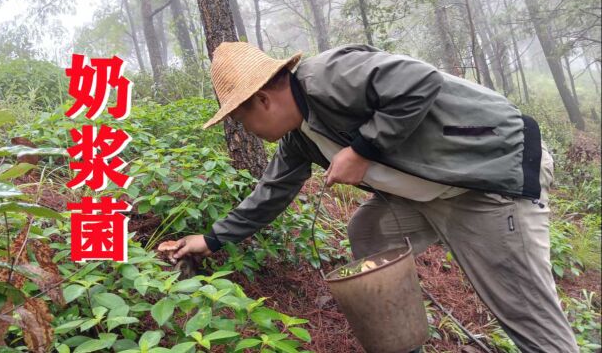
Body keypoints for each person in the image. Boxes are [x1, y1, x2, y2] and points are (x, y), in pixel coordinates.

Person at [158, 42, 578, 352]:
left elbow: (419, 80)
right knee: (370, 231)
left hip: (489, 180)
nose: (243, 131)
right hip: (427, 195)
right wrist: (211, 239)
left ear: (263, 100)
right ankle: (402, 341)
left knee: (525, 313)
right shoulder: (300, 138)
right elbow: (273, 190)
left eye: (239, 119)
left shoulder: (330, 75)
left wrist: (361, 150)